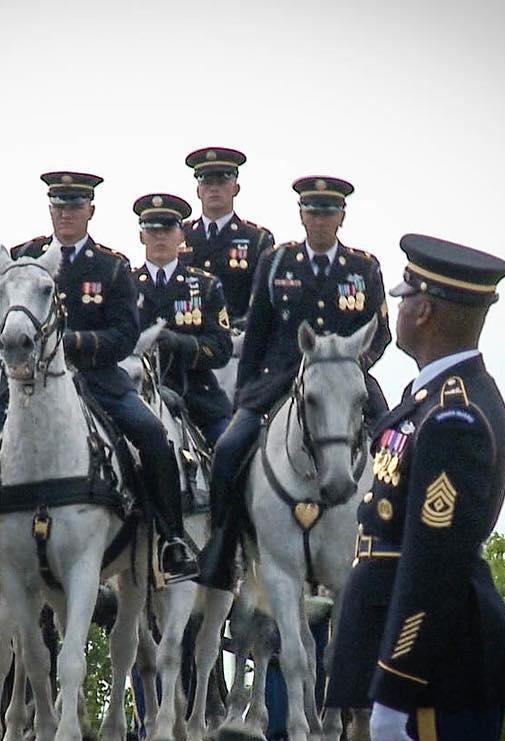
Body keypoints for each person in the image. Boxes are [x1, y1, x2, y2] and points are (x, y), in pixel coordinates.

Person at [325, 234, 505, 741]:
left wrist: (396, 682)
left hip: (436, 666)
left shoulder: (452, 417)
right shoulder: (428, 399)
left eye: (403, 296)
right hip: (424, 660)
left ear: (425, 312)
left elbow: (433, 563)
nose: (397, 309)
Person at [0, 171, 198, 598]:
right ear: (50, 209)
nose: (67, 213)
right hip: (24, 384)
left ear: (90, 211)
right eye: (59, 206)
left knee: (154, 437)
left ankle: (170, 541)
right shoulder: (23, 260)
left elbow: (124, 333)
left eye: (75, 206)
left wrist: (74, 343)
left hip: (98, 380)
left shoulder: (110, 266)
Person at [196, 175, 391, 591]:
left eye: (328, 212)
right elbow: (259, 334)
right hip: (280, 378)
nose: (320, 220)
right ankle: (223, 549)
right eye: (312, 212)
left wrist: (356, 364)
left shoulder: (363, 268)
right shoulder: (278, 262)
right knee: (229, 450)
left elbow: (382, 333)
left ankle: (392, 543)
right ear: (301, 215)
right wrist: (244, 397)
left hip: (346, 379)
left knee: (394, 446)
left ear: (341, 216)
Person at [131, 192, 233, 445]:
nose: (160, 237)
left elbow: (221, 348)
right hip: (137, 393)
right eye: (152, 230)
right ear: (141, 235)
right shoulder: (125, 285)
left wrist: (179, 343)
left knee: (229, 452)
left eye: (167, 229)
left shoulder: (205, 286)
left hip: (197, 397)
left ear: (180, 234)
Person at [181, 147, 275, 325]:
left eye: (222, 181)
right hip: (184, 334)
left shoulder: (257, 239)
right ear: (198, 190)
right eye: (207, 182)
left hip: (234, 335)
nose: (214, 188)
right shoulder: (180, 235)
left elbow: (261, 301)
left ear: (236, 188)